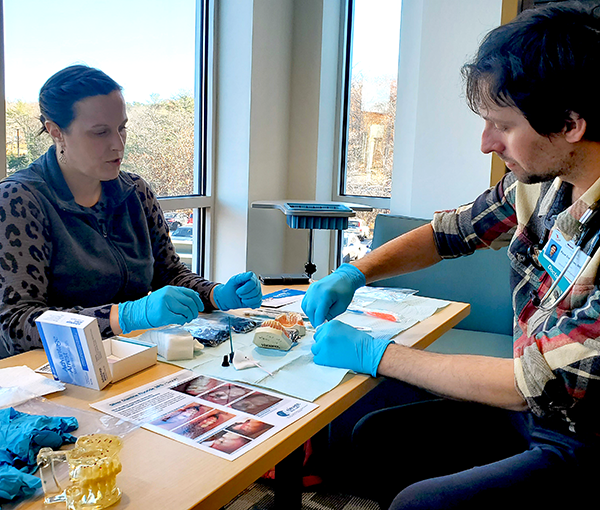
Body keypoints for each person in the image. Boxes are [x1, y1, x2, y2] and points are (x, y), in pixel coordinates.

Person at [302, 3, 600, 508]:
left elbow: (537, 380)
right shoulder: (542, 185)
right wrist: (356, 270)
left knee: (420, 504)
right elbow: (449, 234)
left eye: (502, 126)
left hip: (583, 430)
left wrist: (380, 355)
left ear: (570, 124)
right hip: (535, 413)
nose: (487, 144)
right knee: (372, 436)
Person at [0, 65, 262, 358]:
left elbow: (169, 273)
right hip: (52, 376)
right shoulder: (20, 199)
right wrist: (123, 316)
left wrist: (216, 294)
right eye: (100, 133)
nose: (118, 144)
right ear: (56, 132)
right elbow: (16, 325)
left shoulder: (136, 192)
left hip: (131, 361)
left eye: (122, 127)